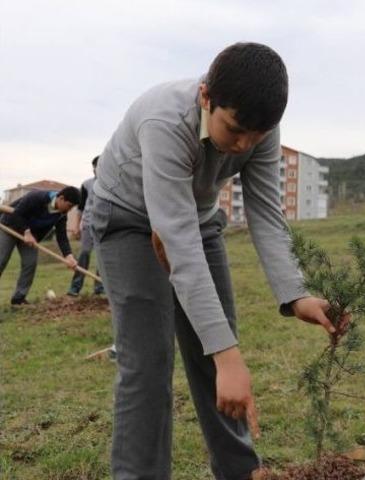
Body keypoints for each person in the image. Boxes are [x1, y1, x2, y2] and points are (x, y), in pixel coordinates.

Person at [90, 42, 346, 479]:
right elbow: (178, 244)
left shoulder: (259, 129)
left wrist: (295, 294)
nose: (243, 145)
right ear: (207, 98)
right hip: (128, 219)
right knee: (148, 364)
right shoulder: (165, 120)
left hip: (197, 218)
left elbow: (266, 213)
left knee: (216, 347)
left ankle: (240, 473)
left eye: (257, 136)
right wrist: (228, 357)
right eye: (234, 129)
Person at [0, 187, 80, 305]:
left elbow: (62, 236)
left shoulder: (61, 215)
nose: (69, 210)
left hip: (31, 235)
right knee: (1, 260)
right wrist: (26, 232)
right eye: (69, 206)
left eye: (72, 207)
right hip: (10, 226)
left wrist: (68, 255)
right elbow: (16, 214)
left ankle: (18, 299)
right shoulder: (36, 197)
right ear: (61, 198)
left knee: (30, 263)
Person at [67, 156, 105, 296]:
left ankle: (100, 287)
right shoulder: (86, 184)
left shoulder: (111, 183)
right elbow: (81, 208)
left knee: (102, 256)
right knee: (84, 253)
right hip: (88, 225)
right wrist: (77, 226)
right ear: (93, 168)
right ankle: (75, 287)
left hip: (104, 226)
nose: (98, 169)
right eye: (96, 166)